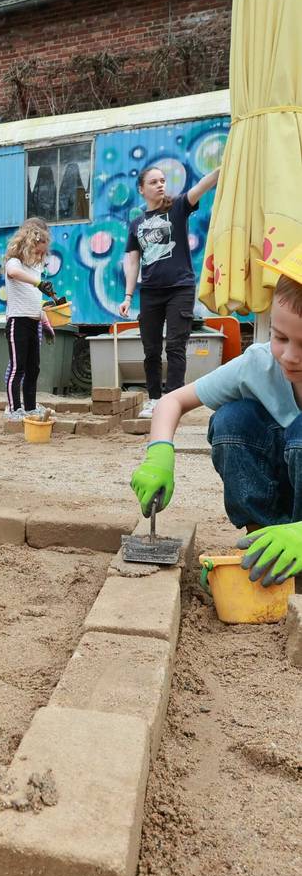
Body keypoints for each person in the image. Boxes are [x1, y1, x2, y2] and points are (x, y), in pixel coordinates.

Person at [130, 271, 302, 586]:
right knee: (232, 421)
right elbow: (173, 402)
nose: (290, 356)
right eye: (280, 337)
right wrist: (159, 455)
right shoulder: (259, 365)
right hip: (281, 496)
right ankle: (262, 546)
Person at [120, 165, 220, 417]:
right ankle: (154, 399)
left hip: (180, 289)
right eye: (153, 182)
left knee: (175, 346)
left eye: (163, 180)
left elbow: (201, 187)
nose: (160, 185)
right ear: (142, 189)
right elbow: (132, 261)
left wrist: (224, 166)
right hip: (150, 292)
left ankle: (172, 401)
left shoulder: (177, 207)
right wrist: (128, 296)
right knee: (151, 349)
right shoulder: (136, 224)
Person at [3, 218, 55, 419]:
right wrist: (38, 283)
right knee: (18, 367)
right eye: (37, 251)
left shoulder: (36, 269)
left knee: (33, 368)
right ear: (27, 246)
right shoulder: (14, 263)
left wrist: (46, 322)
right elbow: (14, 273)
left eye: (43, 253)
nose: (40, 256)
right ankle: (14, 408)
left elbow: (35, 300)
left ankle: (31, 406)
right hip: (18, 322)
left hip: (34, 322)